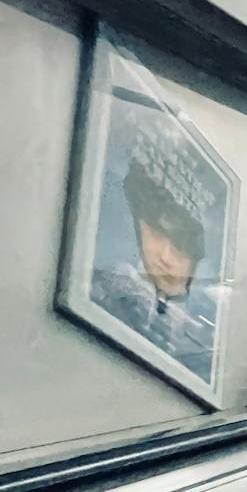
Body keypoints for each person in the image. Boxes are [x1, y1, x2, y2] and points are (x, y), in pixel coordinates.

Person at [92, 159, 222, 383]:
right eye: (156, 234)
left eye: (180, 248)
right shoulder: (114, 284)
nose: (165, 256)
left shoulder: (203, 338)